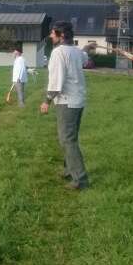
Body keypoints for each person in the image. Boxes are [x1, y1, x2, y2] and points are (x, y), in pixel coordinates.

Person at [40, 21, 94, 191]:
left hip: (67, 102)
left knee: (67, 140)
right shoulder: (76, 51)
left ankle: (80, 180)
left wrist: (46, 101)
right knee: (71, 138)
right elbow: (84, 57)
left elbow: (56, 82)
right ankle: (69, 170)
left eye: (53, 33)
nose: (50, 36)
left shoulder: (58, 53)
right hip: (78, 101)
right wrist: (88, 47)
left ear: (61, 35)